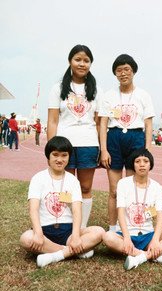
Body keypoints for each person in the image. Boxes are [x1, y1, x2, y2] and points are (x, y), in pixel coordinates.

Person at [20, 136, 105, 268]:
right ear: (48, 156)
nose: (59, 159)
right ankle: (71, 252)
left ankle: (55, 255)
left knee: (99, 232)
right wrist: (38, 233)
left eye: (64, 155)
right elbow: (33, 209)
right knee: (26, 238)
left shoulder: (72, 180)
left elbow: (77, 210)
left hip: (68, 231)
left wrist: (76, 237)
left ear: (69, 157)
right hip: (45, 231)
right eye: (55, 155)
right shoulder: (38, 178)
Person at [47, 44, 103, 228]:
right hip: (65, 146)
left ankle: (82, 227)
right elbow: (53, 121)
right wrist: (51, 150)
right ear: (70, 61)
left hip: (88, 144)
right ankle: (67, 226)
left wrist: (102, 149)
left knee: (85, 188)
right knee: (66, 187)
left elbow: (98, 122)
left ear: (90, 64)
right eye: (78, 59)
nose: (82, 64)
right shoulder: (58, 88)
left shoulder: (96, 89)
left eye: (86, 61)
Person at [103, 147, 162, 270]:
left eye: (145, 161)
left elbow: (160, 217)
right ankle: (148, 255)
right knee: (108, 237)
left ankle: (140, 257)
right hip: (126, 234)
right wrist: (126, 238)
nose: (142, 165)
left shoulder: (157, 187)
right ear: (133, 165)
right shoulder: (123, 184)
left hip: (148, 235)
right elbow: (120, 213)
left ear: (150, 165)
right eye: (138, 161)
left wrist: (156, 240)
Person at [99, 54, 155, 232]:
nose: (123, 73)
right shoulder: (109, 95)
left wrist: (146, 151)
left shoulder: (143, 95)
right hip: (114, 139)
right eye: (119, 70)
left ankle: (131, 228)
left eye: (127, 70)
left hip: (136, 140)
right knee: (114, 190)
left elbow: (148, 124)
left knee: (133, 187)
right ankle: (113, 229)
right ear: (115, 73)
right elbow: (103, 123)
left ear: (133, 71)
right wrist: (104, 150)